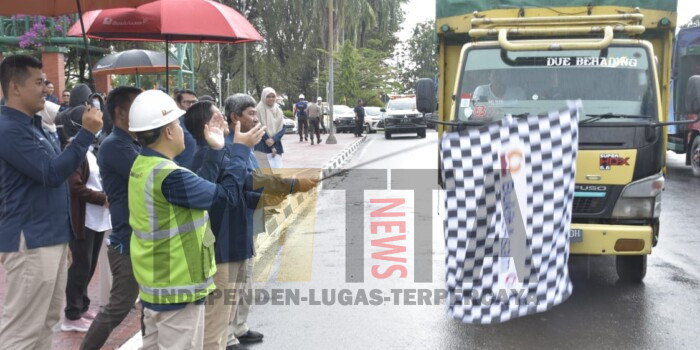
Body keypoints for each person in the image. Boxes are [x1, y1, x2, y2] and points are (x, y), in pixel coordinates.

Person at [128, 90, 264, 349]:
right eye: (177, 125)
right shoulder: (170, 176)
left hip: (157, 285)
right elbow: (223, 197)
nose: (183, 131)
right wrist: (239, 151)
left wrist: (216, 150)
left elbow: (203, 183)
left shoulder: (145, 166)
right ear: (168, 132)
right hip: (178, 288)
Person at [0, 54, 103, 349]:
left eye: (46, 82)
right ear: (15, 87)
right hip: (30, 240)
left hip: (48, 238)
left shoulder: (33, 126)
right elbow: (51, 173)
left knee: (44, 325)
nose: (47, 88)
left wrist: (64, 239)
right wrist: (86, 135)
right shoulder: (9, 129)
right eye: (39, 82)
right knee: (23, 331)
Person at [81, 86, 143, 349]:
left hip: (142, 238)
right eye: (137, 107)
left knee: (151, 303)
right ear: (120, 112)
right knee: (118, 307)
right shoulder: (115, 145)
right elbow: (152, 175)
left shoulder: (133, 142)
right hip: (127, 242)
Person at [62, 117, 111, 332]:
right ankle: (72, 314)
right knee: (80, 266)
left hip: (97, 217)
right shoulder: (75, 149)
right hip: (84, 218)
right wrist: (101, 198)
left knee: (89, 265)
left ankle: (82, 306)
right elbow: (74, 186)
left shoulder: (91, 150)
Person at [254, 87, 286, 167]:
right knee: (265, 175)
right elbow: (258, 127)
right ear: (263, 97)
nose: (271, 99)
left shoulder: (278, 110)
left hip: (277, 145)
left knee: (277, 175)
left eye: (273, 96)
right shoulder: (258, 109)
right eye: (268, 96)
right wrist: (270, 143)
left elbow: (283, 127)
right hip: (262, 146)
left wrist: (274, 140)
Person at [172, 89, 198, 171]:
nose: (191, 105)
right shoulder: (173, 126)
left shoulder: (200, 123)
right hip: (181, 174)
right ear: (178, 104)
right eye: (187, 102)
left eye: (194, 102)